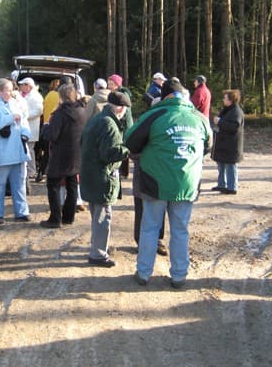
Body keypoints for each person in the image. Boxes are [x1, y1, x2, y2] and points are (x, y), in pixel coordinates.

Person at [125, 77, 211, 287]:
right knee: (180, 229)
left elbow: (130, 140)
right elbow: (208, 146)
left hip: (155, 183)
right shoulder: (199, 118)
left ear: (164, 96)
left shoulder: (154, 115)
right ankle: (179, 275)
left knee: (150, 228)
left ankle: (144, 273)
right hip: (187, 183)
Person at [80, 91, 131, 267]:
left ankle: (97, 248)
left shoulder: (96, 119)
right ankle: (98, 254)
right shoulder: (110, 124)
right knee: (103, 217)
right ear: (121, 108)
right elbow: (108, 154)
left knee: (96, 215)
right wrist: (127, 149)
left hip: (90, 174)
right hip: (102, 177)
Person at [0, 78, 31, 224]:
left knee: (19, 183)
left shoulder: (15, 103)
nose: (11, 93)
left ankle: (22, 212)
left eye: (11, 89)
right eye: (8, 90)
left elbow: (24, 121)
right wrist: (9, 118)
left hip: (17, 149)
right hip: (1, 151)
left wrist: (25, 133)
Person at [39, 84, 87, 228]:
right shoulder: (82, 110)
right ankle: (68, 216)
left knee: (53, 185)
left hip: (60, 154)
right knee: (72, 184)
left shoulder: (60, 114)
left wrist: (46, 126)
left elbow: (52, 136)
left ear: (60, 97)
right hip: (76, 153)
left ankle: (55, 219)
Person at [211, 89, 244, 194]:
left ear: (230, 100)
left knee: (230, 165)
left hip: (231, 144)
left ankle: (232, 187)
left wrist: (220, 121)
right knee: (221, 164)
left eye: (224, 98)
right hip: (223, 143)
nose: (223, 100)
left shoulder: (236, 112)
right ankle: (221, 184)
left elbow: (234, 127)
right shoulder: (226, 109)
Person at [19, 77, 44, 179]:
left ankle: (32, 170)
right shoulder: (23, 95)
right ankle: (28, 170)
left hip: (31, 127)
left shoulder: (36, 96)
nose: (21, 87)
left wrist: (25, 115)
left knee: (29, 149)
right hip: (24, 126)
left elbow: (39, 111)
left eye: (23, 85)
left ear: (28, 86)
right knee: (26, 149)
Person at [37, 79, 61, 182]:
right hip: (57, 127)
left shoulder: (48, 96)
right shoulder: (60, 97)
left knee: (46, 153)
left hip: (46, 126)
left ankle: (40, 172)